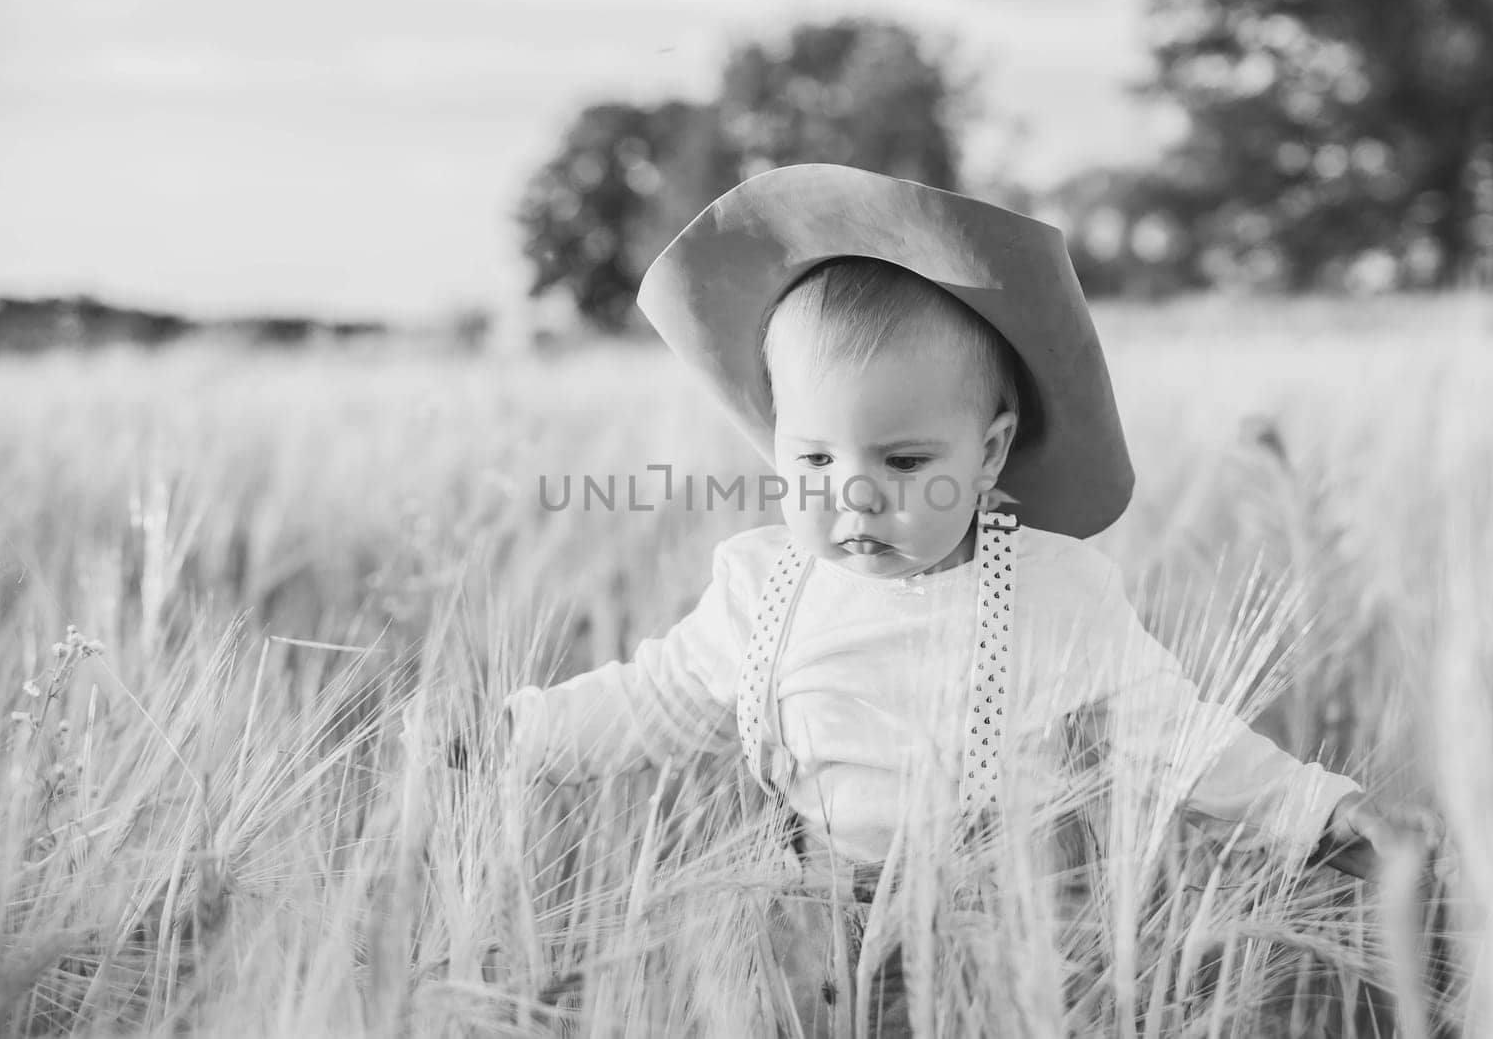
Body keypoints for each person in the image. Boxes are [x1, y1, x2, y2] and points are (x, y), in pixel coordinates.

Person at [501, 164, 1441, 1035]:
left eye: (905, 462)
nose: (855, 495)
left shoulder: (1048, 592)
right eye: (816, 460)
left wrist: (1318, 813)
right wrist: (523, 735)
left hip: (996, 952)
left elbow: (1175, 738)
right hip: (796, 938)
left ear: (987, 454)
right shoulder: (760, 586)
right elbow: (655, 698)